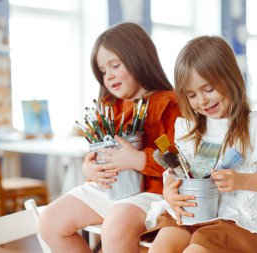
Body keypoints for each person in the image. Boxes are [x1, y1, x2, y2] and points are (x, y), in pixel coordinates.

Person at [141, 36, 257, 253]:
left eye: (209, 89)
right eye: (192, 95)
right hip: (189, 211)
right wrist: (169, 191)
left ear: (230, 78)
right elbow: (175, 172)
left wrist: (242, 180)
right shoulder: (190, 128)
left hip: (233, 217)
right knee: (160, 248)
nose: (202, 101)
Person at [38, 22, 181, 253]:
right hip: (112, 189)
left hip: (154, 192)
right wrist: (90, 168)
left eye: (115, 65)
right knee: (49, 221)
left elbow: (178, 161)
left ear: (140, 58)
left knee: (115, 229)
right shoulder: (108, 106)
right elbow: (97, 152)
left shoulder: (169, 104)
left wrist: (137, 159)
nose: (109, 76)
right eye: (103, 71)